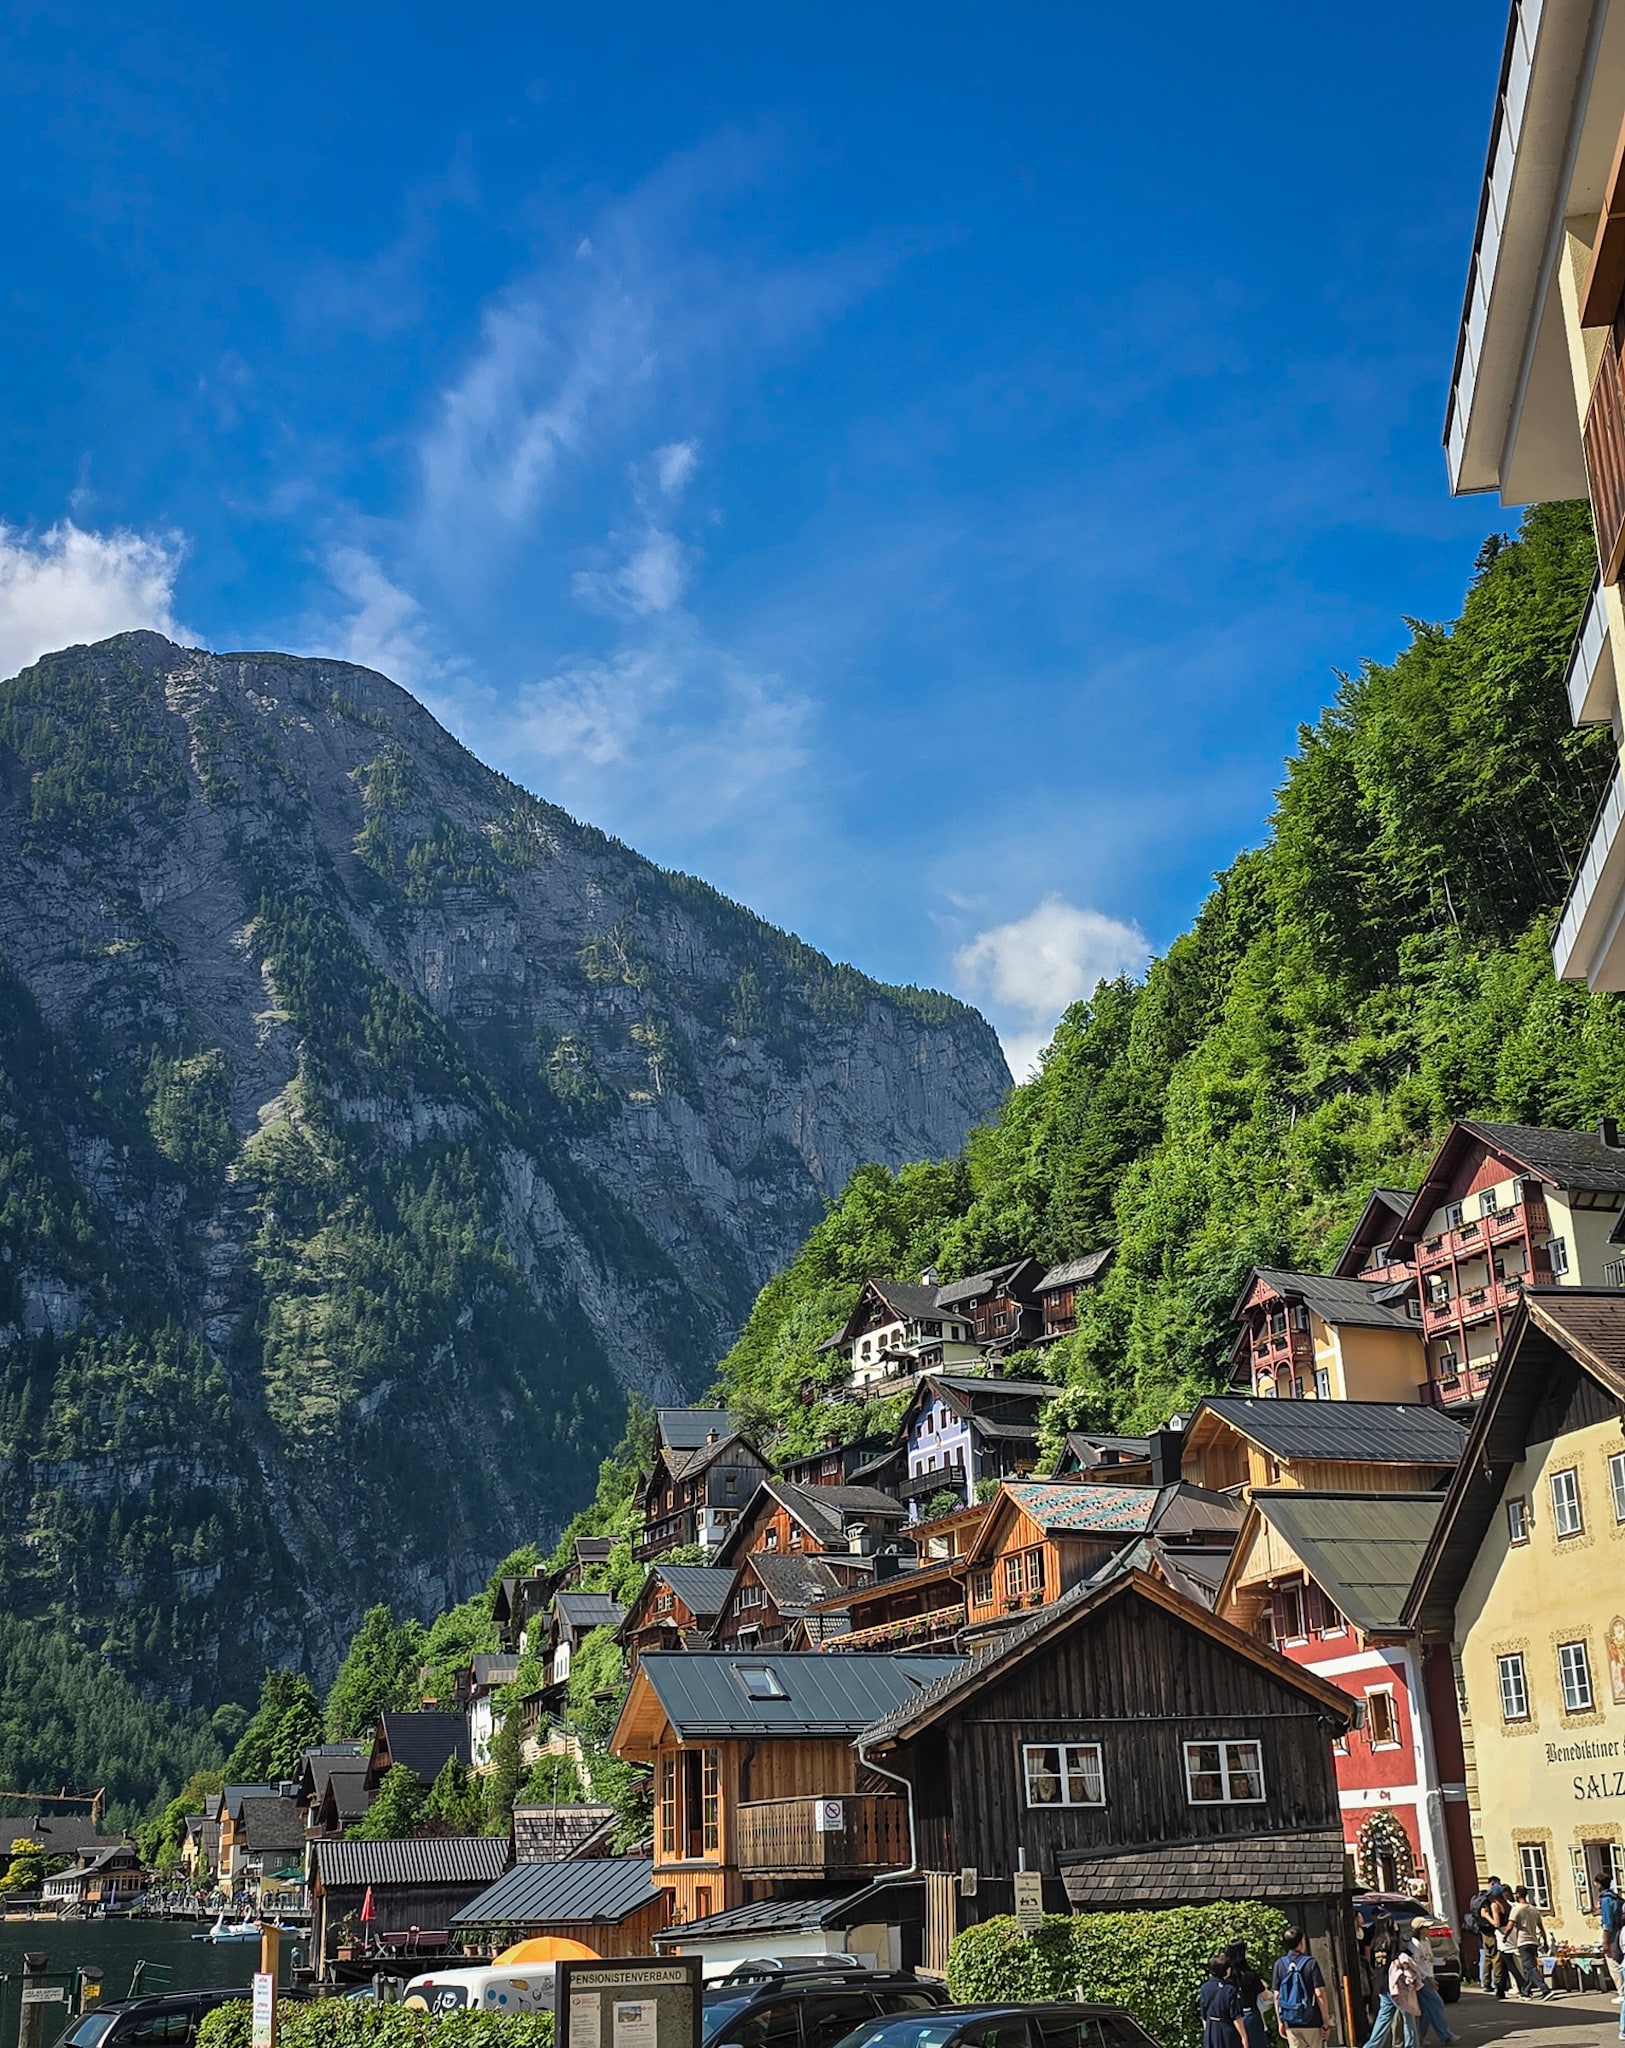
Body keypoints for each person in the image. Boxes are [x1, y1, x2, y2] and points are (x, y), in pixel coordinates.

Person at [1272, 1927, 1331, 2048]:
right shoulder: (1310, 1963)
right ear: (1301, 1942)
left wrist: (1280, 2021)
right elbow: (1319, 1993)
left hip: (1291, 2020)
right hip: (1312, 2020)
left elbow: (1277, 1996)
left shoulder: (1279, 1964)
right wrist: (1325, 2021)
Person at [1361, 1914, 1406, 2048]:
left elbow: (1373, 1963)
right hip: (1392, 1983)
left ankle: (1371, 2046)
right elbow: (1395, 1963)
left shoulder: (1376, 1941)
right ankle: (1409, 2044)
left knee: (1384, 2016)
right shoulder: (1392, 1941)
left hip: (1380, 1982)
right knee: (1408, 2014)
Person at [1409, 1928, 1458, 2044]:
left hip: (1429, 1976)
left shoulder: (1426, 1942)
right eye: (1426, 1928)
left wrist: (1442, 1960)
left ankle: (1419, 2037)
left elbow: (1428, 1959)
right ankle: (1446, 2035)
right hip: (1422, 1979)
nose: (1429, 1930)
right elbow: (1415, 1965)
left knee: (1426, 2009)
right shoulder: (1414, 1944)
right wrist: (1428, 1978)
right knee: (1436, 2003)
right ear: (1420, 1930)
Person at [1506, 1885, 1552, 2000]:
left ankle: (1545, 1990)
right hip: (1533, 1941)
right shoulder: (1533, 1909)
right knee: (1530, 1968)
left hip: (1523, 1941)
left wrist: (1505, 1936)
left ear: (1517, 1895)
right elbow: (1541, 1927)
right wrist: (1545, 1941)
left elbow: (1510, 1924)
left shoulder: (1517, 1908)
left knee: (1530, 1968)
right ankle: (1525, 1991)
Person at [1227, 1941, 1267, 2048]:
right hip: (1251, 2015)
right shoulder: (1250, 1974)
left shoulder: (1227, 1978)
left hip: (1233, 2017)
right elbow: (1265, 1995)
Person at [1201, 1955, 1248, 2048]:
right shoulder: (1229, 1990)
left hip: (1211, 2029)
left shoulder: (1204, 1988)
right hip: (1226, 2029)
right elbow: (1236, 2016)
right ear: (1226, 1971)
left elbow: (1204, 2013)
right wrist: (1244, 2037)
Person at [1389, 1947, 1423, 2048]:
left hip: (1396, 1990)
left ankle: (1400, 2043)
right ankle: (1409, 2044)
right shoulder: (1402, 1959)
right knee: (1408, 2018)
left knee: (1400, 2017)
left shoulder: (1396, 1961)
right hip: (1402, 1991)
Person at [1602, 1876, 1624, 1999]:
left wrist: (1605, 1941)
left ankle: (1622, 1991)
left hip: (1613, 1934)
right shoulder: (1616, 1898)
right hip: (1622, 1931)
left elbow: (1607, 1923)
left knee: (1613, 1962)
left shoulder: (1606, 1900)